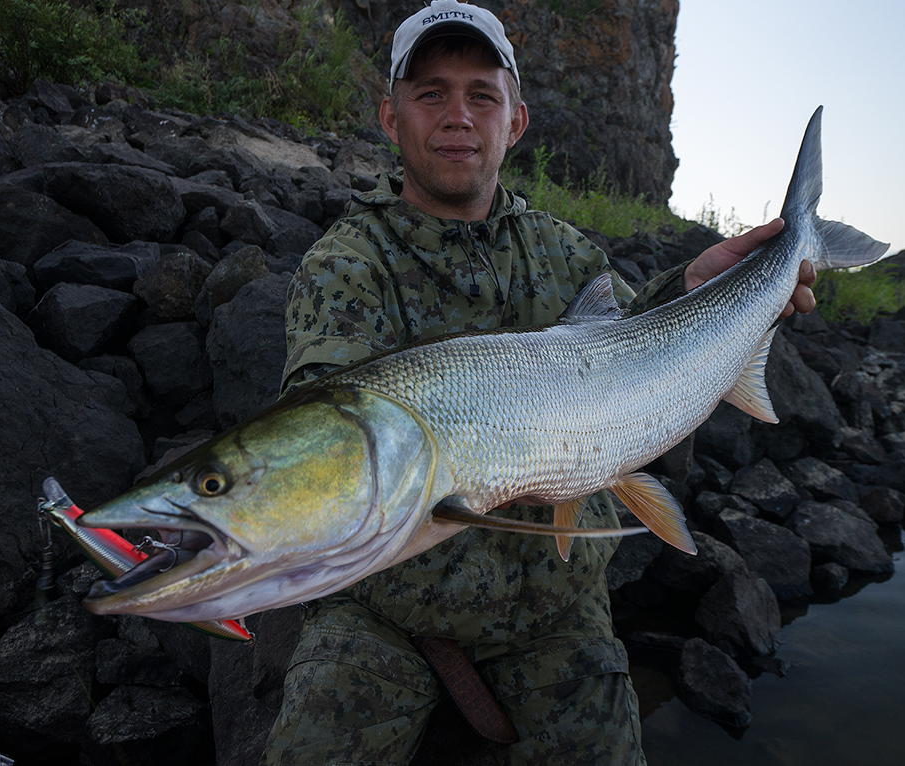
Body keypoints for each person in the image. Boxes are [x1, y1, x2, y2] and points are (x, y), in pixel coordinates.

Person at [262, 1, 816, 763]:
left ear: (514, 122)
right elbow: (323, 438)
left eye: (481, 96)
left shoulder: (565, 251)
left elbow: (622, 354)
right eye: (431, 94)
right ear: (391, 119)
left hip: (554, 606)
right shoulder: (345, 263)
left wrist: (693, 287)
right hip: (385, 608)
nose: (458, 116)